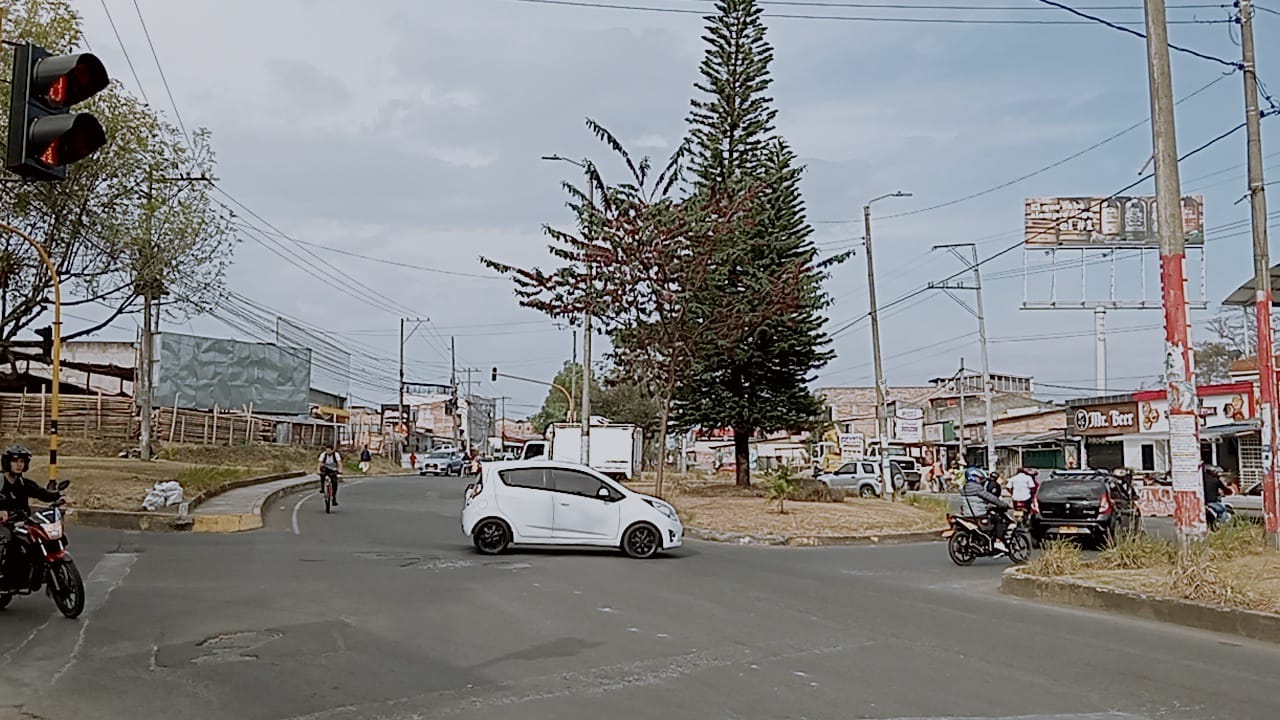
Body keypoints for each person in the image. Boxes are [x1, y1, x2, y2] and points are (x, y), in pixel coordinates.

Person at [0, 445, 65, 581]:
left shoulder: (23, 483)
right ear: (7, 462)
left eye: (22, 462)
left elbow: (42, 493)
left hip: (22, 522)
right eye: (15, 461)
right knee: (9, 540)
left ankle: (37, 569)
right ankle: (5, 575)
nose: (19, 465)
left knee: (42, 536)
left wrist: (59, 497)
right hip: (4, 523)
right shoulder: (0, 481)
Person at [960, 466, 1012, 552]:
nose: (980, 480)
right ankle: (998, 542)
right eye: (979, 478)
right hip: (979, 514)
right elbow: (991, 498)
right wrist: (1003, 504)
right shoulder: (977, 488)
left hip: (967, 514)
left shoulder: (964, 488)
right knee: (998, 520)